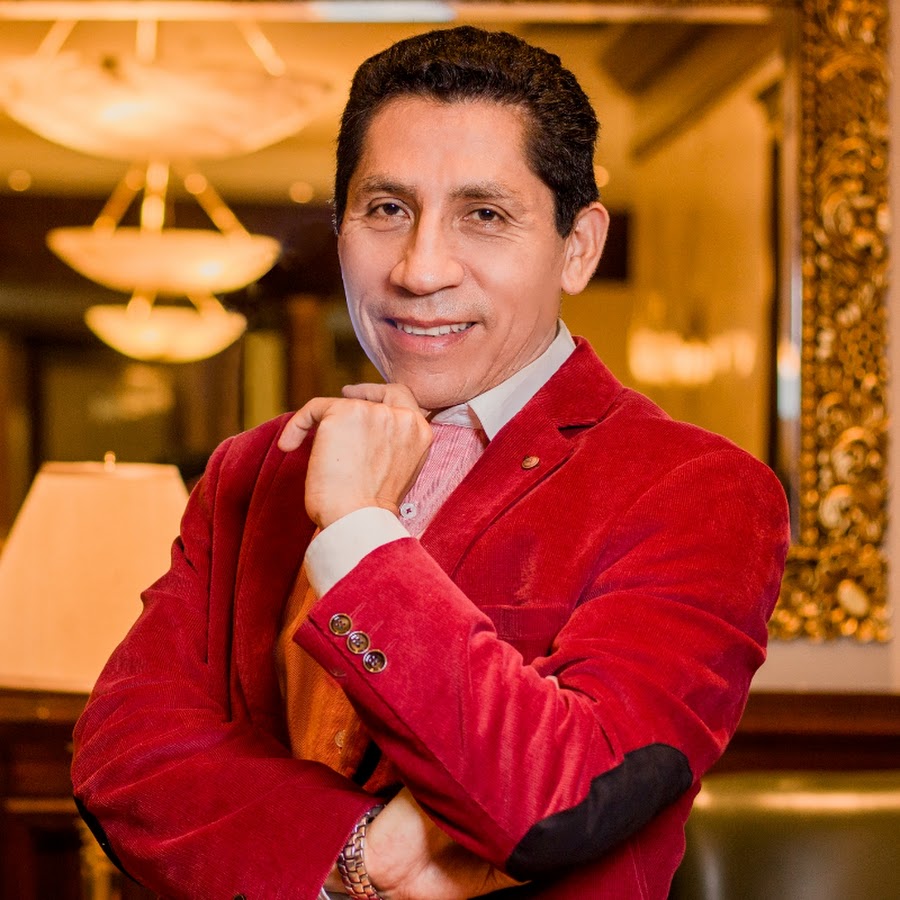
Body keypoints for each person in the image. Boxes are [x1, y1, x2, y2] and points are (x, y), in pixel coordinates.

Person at [72, 26, 789, 900]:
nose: (420, 270)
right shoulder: (254, 469)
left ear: (578, 246)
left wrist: (357, 531)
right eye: (387, 209)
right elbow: (121, 756)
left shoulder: (700, 490)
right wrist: (361, 854)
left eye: (484, 215)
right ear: (341, 226)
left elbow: (559, 799)